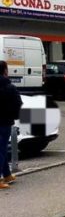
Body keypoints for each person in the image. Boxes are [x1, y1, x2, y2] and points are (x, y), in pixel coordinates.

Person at [0, 61, 23, 190]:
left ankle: (7, 175)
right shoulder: (9, 87)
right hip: (4, 122)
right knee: (1, 150)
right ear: (5, 71)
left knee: (1, 149)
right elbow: (18, 103)